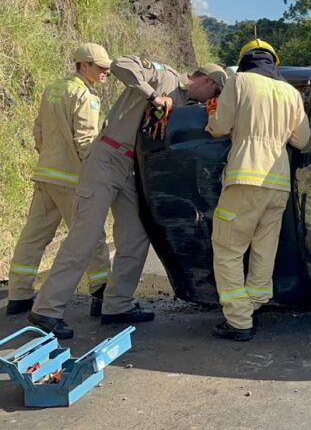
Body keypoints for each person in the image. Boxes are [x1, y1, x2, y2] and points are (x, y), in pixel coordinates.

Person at [28, 57, 226, 339]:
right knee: (85, 235)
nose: (214, 97)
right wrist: (153, 96)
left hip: (133, 169)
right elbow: (121, 64)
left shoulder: (185, 105)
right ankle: (47, 310)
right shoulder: (165, 77)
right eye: (215, 92)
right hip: (108, 158)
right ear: (206, 81)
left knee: (135, 236)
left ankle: (117, 304)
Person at [205, 40, 310, 341]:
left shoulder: (240, 81)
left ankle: (238, 321)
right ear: (274, 62)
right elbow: (302, 140)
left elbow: (221, 126)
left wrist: (211, 118)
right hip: (278, 184)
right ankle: (253, 303)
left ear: (244, 60)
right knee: (264, 248)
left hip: (244, 177)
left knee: (227, 249)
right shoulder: (291, 92)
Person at [6, 44, 113, 316]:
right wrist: (97, 176)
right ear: (83, 65)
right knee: (91, 235)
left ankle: (19, 295)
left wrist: (49, 159)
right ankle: (101, 292)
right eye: (100, 67)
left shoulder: (52, 89)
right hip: (73, 179)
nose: (106, 72)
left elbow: (38, 131)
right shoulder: (86, 97)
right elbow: (86, 143)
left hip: (46, 175)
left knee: (34, 235)